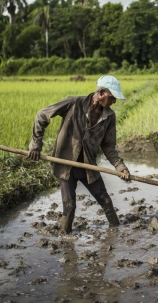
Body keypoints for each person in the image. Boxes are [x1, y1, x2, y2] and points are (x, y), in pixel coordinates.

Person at [28, 75, 131, 234]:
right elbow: (42, 115)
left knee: (106, 201)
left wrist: (120, 167)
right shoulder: (73, 103)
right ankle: (65, 239)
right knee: (69, 206)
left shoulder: (109, 116)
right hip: (66, 165)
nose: (114, 101)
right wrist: (36, 145)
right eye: (112, 97)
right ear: (102, 92)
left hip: (88, 166)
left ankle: (116, 232)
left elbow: (108, 146)